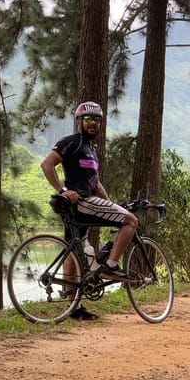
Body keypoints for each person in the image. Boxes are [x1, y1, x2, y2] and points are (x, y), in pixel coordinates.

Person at [40, 101, 139, 320]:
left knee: (72, 252)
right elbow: (47, 165)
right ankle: (111, 266)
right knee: (130, 221)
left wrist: (112, 204)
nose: (92, 124)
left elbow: (96, 183)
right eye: (88, 120)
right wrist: (63, 190)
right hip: (82, 201)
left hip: (84, 202)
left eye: (96, 120)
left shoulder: (91, 151)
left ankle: (72, 306)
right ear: (79, 122)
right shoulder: (72, 143)